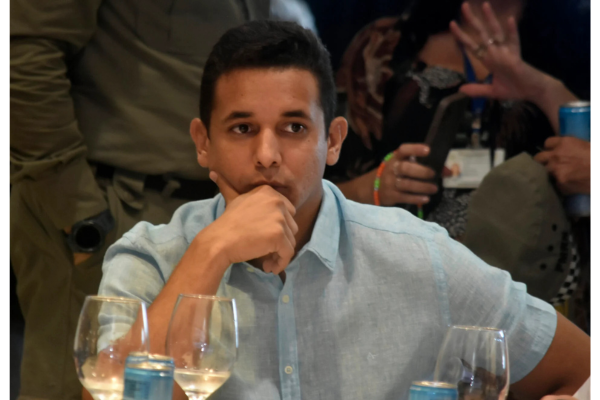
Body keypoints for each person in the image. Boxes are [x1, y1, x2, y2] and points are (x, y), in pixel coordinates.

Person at [98, 20, 589, 400]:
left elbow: (585, 371)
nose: (267, 155)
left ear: (333, 141)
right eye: (242, 129)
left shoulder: (420, 257)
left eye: (294, 128)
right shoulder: (152, 257)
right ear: (203, 143)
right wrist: (212, 251)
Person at [10, 1, 272, 399]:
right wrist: (81, 217)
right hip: (113, 210)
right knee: (86, 388)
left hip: (217, 211)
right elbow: (24, 54)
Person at [328, 0, 581, 240]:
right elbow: (322, 192)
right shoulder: (383, 44)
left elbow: (587, 165)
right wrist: (373, 187)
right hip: (407, 260)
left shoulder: (579, 41)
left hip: (537, 263)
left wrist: (543, 90)